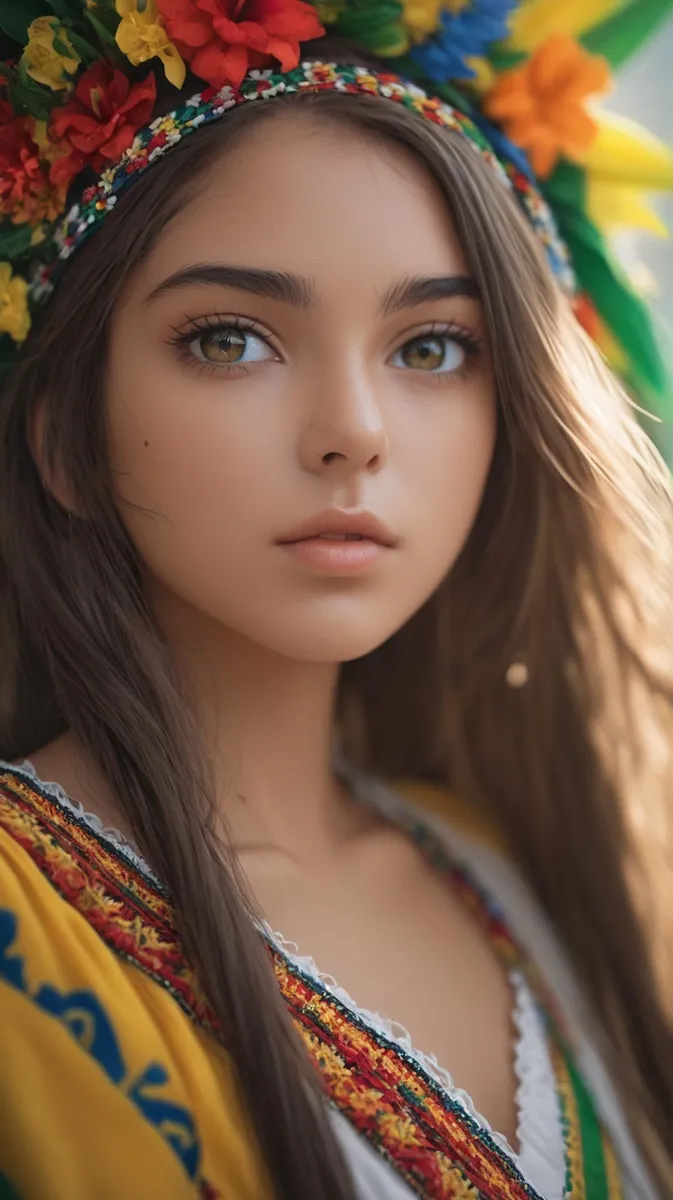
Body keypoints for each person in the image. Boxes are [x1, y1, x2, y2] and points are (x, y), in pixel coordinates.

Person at [0, 2, 672, 1198]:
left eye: (430, 349)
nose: (353, 433)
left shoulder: (513, 872)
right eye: (230, 340)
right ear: (65, 435)